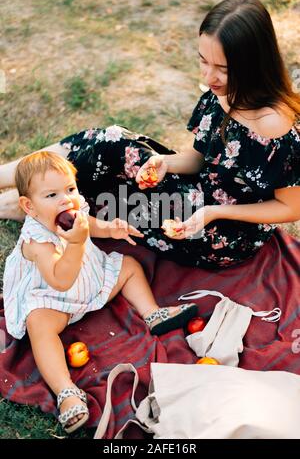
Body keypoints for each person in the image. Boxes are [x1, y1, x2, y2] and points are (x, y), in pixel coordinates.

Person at [0, 0, 299, 269]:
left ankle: (25, 200)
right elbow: (198, 159)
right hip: (195, 192)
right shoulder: (222, 93)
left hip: (219, 233)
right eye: (203, 61)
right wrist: (165, 163)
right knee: (108, 142)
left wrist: (214, 212)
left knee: (104, 189)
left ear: (254, 64)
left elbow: (290, 209)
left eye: (222, 67)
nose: (208, 77)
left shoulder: (276, 126)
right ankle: (20, 183)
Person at [2, 151, 197, 433]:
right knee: (39, 326)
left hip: (89, 279)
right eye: (52, 195)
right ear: (29, 207)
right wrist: (77, 244)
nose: (65, 199)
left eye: (70, 189)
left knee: (129, 266)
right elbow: (60, 280)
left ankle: (153, 313)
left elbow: (88, 224)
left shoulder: (71, 207)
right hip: (53, 298)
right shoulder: (37, 241)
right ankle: (66, 392)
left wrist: (109, 229)